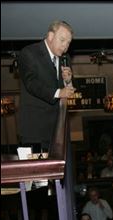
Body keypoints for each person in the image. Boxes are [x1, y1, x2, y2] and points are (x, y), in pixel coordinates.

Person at [18, 20, 75, 151]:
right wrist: (58, 93)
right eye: (62, 40)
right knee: (36, 170)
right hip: (35, 132)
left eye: (68, 43)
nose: (65, 46)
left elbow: (69, 90)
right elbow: (31, 83)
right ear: (50, 36)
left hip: (59, 131)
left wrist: (68, 81)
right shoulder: (29, 53)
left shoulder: (66, 59)